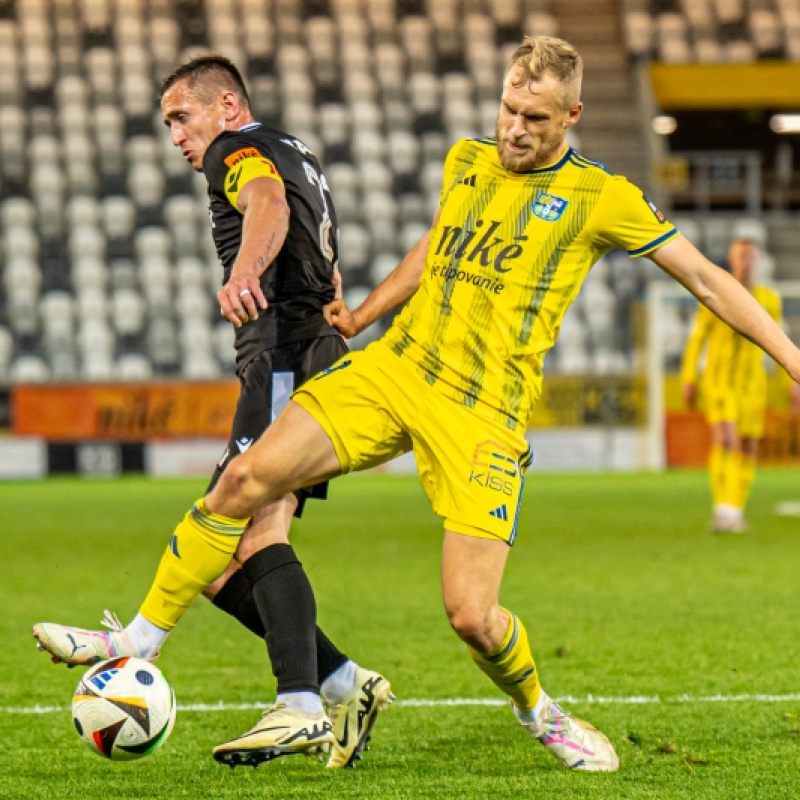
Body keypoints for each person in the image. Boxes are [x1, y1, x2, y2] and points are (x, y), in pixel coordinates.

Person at [35, 36, 800, 772]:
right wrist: (365, 316)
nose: (514, 129)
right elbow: (440, 245)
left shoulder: (602, 196)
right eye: (508, 109)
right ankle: (141, 640)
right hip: (396, 371)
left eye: (534, 119)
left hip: (482, 412)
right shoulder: (468, 161)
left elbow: (705, 278)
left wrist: (790, 356)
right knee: (241, 484)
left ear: (570, 117)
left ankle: (539, 710)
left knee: (471, 615)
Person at [33, 55, 393, 770]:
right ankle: (344, 683)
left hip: (287, 356)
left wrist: (243, 272)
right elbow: (319, 247)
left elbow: (267, 204)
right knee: (224, 565)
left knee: (252, 524)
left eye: (181, 117)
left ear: (226, 105)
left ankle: (294, 703)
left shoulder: (238, 151)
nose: (176, 136)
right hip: (298, 352)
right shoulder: (298, 151)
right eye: (169, 123)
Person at [681, 237, 800, 533]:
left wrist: (791, 382)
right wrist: (688, 377)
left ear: (758, 259)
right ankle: (722, 509)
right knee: (726, 438)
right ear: (732, 260)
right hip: (720, 380)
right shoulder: (714, 294)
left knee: (747, 446)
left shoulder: (770, 299)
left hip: (752, 383)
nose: (744, 261)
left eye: (749, 256)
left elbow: (776, 342)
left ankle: (734, 510)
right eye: (739, 256)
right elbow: (698, 339)